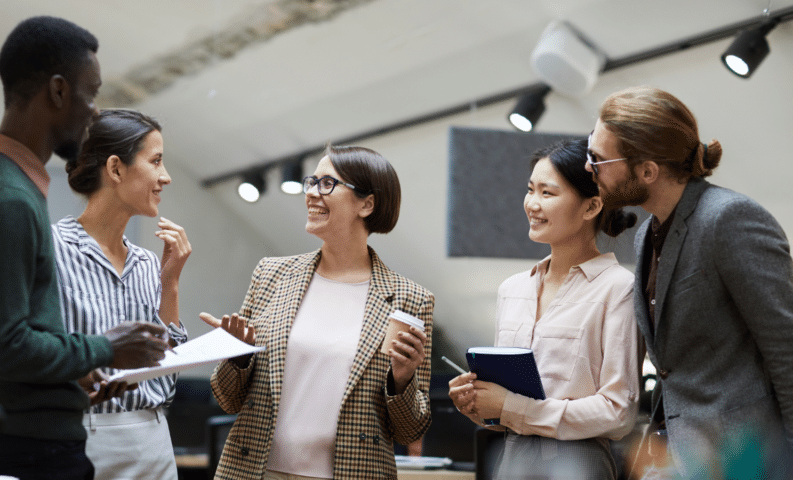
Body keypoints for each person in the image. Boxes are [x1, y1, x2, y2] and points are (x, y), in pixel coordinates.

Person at [0, 17, 168, 480]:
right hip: (29, 451)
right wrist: (103, 348)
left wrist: (67, 372)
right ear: (58, 92)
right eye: (90, 95)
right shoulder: (9, 199)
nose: (94, 114)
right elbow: (1, 347)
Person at [586, 86, 793, 477]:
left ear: (647, 171)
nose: (588, 167)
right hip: (678, 454)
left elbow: (787, 347)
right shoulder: (647, 233)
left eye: (598, 159)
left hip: (745, 459)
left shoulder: (730, 219)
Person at [200, 144, 435, 480]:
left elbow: (410, 430)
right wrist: (236, 356)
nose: (311, 193)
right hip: (255, 471)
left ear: (366, 204)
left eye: (328, 184)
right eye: (312, 182)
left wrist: (402, 379)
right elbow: (227, 399)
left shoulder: (411, 299)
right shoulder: (271, 275)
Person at [449, 139, 640, 479]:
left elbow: (618, 411)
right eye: (530, 190)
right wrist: (478, 405)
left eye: (547, 193)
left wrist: (511, 407)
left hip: (578, 464)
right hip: (509, 460)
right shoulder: (512, 289)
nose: (532, 204)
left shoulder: (618, 288)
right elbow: (506, 412)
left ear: (591, 206)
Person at [52, 108, 192, 480]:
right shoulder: (50, 250)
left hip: (153, 443)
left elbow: (164, 378)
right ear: (115, 169)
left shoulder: (148, 263)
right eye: (156, 161)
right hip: (81, 439)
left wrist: (170, 283)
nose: (166, 177)